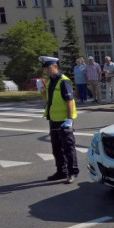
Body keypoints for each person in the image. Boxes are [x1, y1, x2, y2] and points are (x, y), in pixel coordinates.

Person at [40, 56, 79, 184]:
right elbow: (49, 100)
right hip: (53, 120)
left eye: (48, 68)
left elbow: (69, 100)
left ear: (55, 67)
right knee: (56, 148)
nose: (47, 71)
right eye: (45, 68)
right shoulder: (50, 81)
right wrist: (41, 90)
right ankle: (61, 171)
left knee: (68, 148)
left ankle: (72, 172)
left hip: (63, 120)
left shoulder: (63, 81)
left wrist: (69, 119)